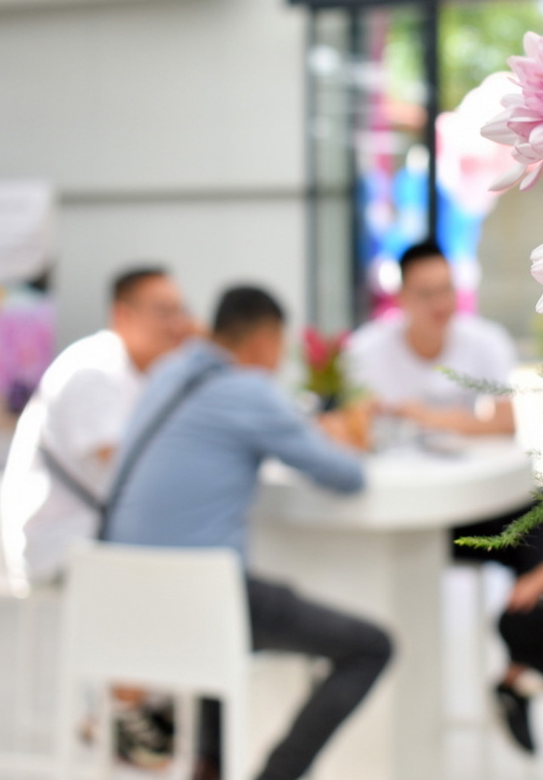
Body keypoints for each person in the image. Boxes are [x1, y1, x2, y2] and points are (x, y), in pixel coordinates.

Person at [103, 285, 391, 780]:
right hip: (198, 605)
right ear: (264, 341)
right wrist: (341, 435)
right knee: (371, 647)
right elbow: (346, 476)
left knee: (228, 604)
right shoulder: (249, 391)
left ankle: (210, 766)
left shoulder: (168, 373)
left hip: (120, 600)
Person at [346, 240, 543, 753]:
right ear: (402, 298)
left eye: (446, 290)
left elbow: (507, 422)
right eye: (426, 293)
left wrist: (426, 416)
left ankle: (518, 671)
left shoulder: (483, 341)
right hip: (400, 513)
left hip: (473, 507)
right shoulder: (366, 350)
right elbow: (351, 426)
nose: (440, 304)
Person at [1, 265, 192, 586]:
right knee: (190, 573)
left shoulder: (137, 371)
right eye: (164, 312)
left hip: (92, 537)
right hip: (63, 545)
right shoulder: (95, 371)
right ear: (122, 315)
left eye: (181, 312)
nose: (179, 325)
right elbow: (125, 474)